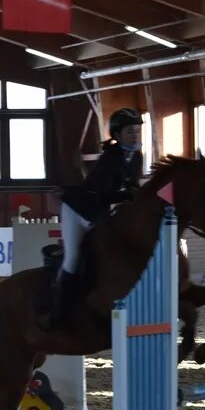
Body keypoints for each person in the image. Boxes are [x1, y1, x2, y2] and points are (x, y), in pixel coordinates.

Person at [47, 108, 145, 328]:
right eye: (130, 131)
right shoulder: (109, 159)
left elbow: (132, 187)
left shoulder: (136, 157)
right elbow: (101, 193)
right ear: (118, 135)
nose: (135, 136)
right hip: (78, 210)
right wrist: (128, 194)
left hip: (100, 213)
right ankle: (58, 312)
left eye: (137, 131)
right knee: (73, 258)